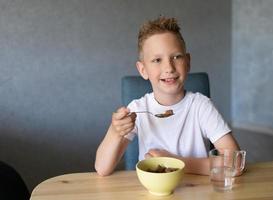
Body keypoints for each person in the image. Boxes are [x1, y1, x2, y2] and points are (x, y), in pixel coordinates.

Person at [95, 17, 241, 176]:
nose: (169, 67)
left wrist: (176, 162)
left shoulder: (201, 106)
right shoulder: (137, 110)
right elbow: (102, 169)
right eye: (157, 60)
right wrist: (115, 131)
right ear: (143, 69)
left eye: (176, 57)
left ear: (188, 62)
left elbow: (235, 162)